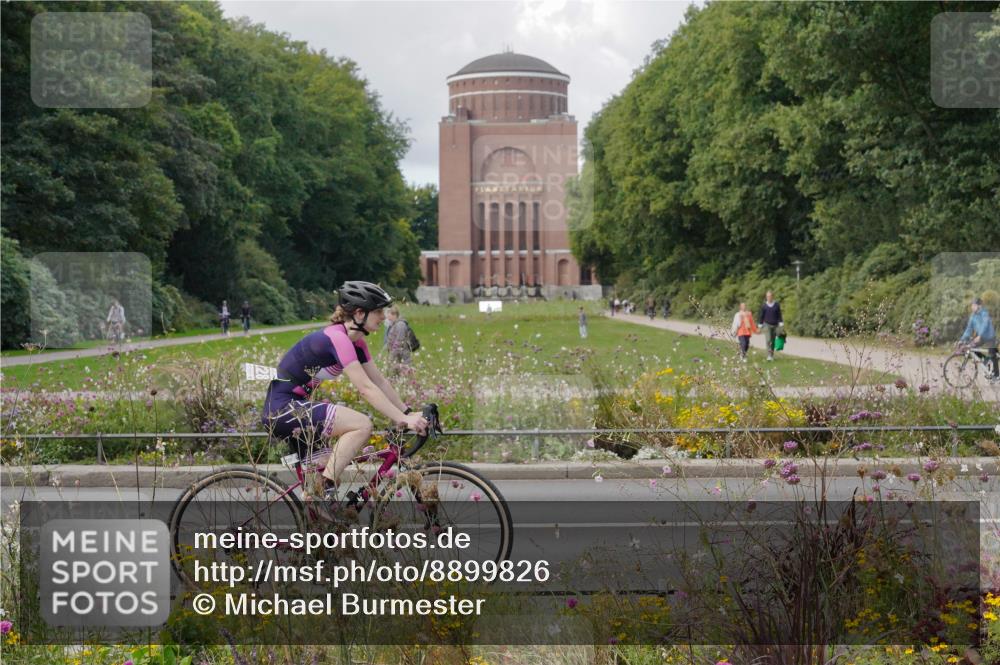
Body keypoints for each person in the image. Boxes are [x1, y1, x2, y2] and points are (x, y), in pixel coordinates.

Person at [262, 281, 428, 505]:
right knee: (361, 424)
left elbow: (378, 381)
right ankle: (324, 486)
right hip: (283, 410)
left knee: (328, 478)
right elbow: (365, 388)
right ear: (359, 313)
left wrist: (407, 412)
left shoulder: (357, 343)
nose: (383, 316)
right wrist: (403, 419)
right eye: (378, 311)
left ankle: (318, 521)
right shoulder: (337, 338)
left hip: (297, 408)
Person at [959, 297, 999, 381]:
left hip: (990, 337)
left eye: (974, 305)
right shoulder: (972, 316)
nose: (972, 307)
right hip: (980, 338)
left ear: (979, 306)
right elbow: (969, 329)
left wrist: (980, 335)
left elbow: (985, 325)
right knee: (971, 348)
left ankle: (997, 375)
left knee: (992, 354)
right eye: (972, 305)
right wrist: (962, 339)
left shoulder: (984, 313)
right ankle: (985, 361)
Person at [758, 291, 783, 361]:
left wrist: (781, 324)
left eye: (770, 296)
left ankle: (771, 355)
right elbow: (761, 316)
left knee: (773, 341)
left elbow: (779, 314)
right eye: (767, 296)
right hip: (767, 325)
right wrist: (760, 326)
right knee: (768, 340)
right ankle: (769, 355)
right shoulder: (764, 306)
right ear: (766, 297)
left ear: (772, 296)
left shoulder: (776, 305)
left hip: (775, 325)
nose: (768, 298)